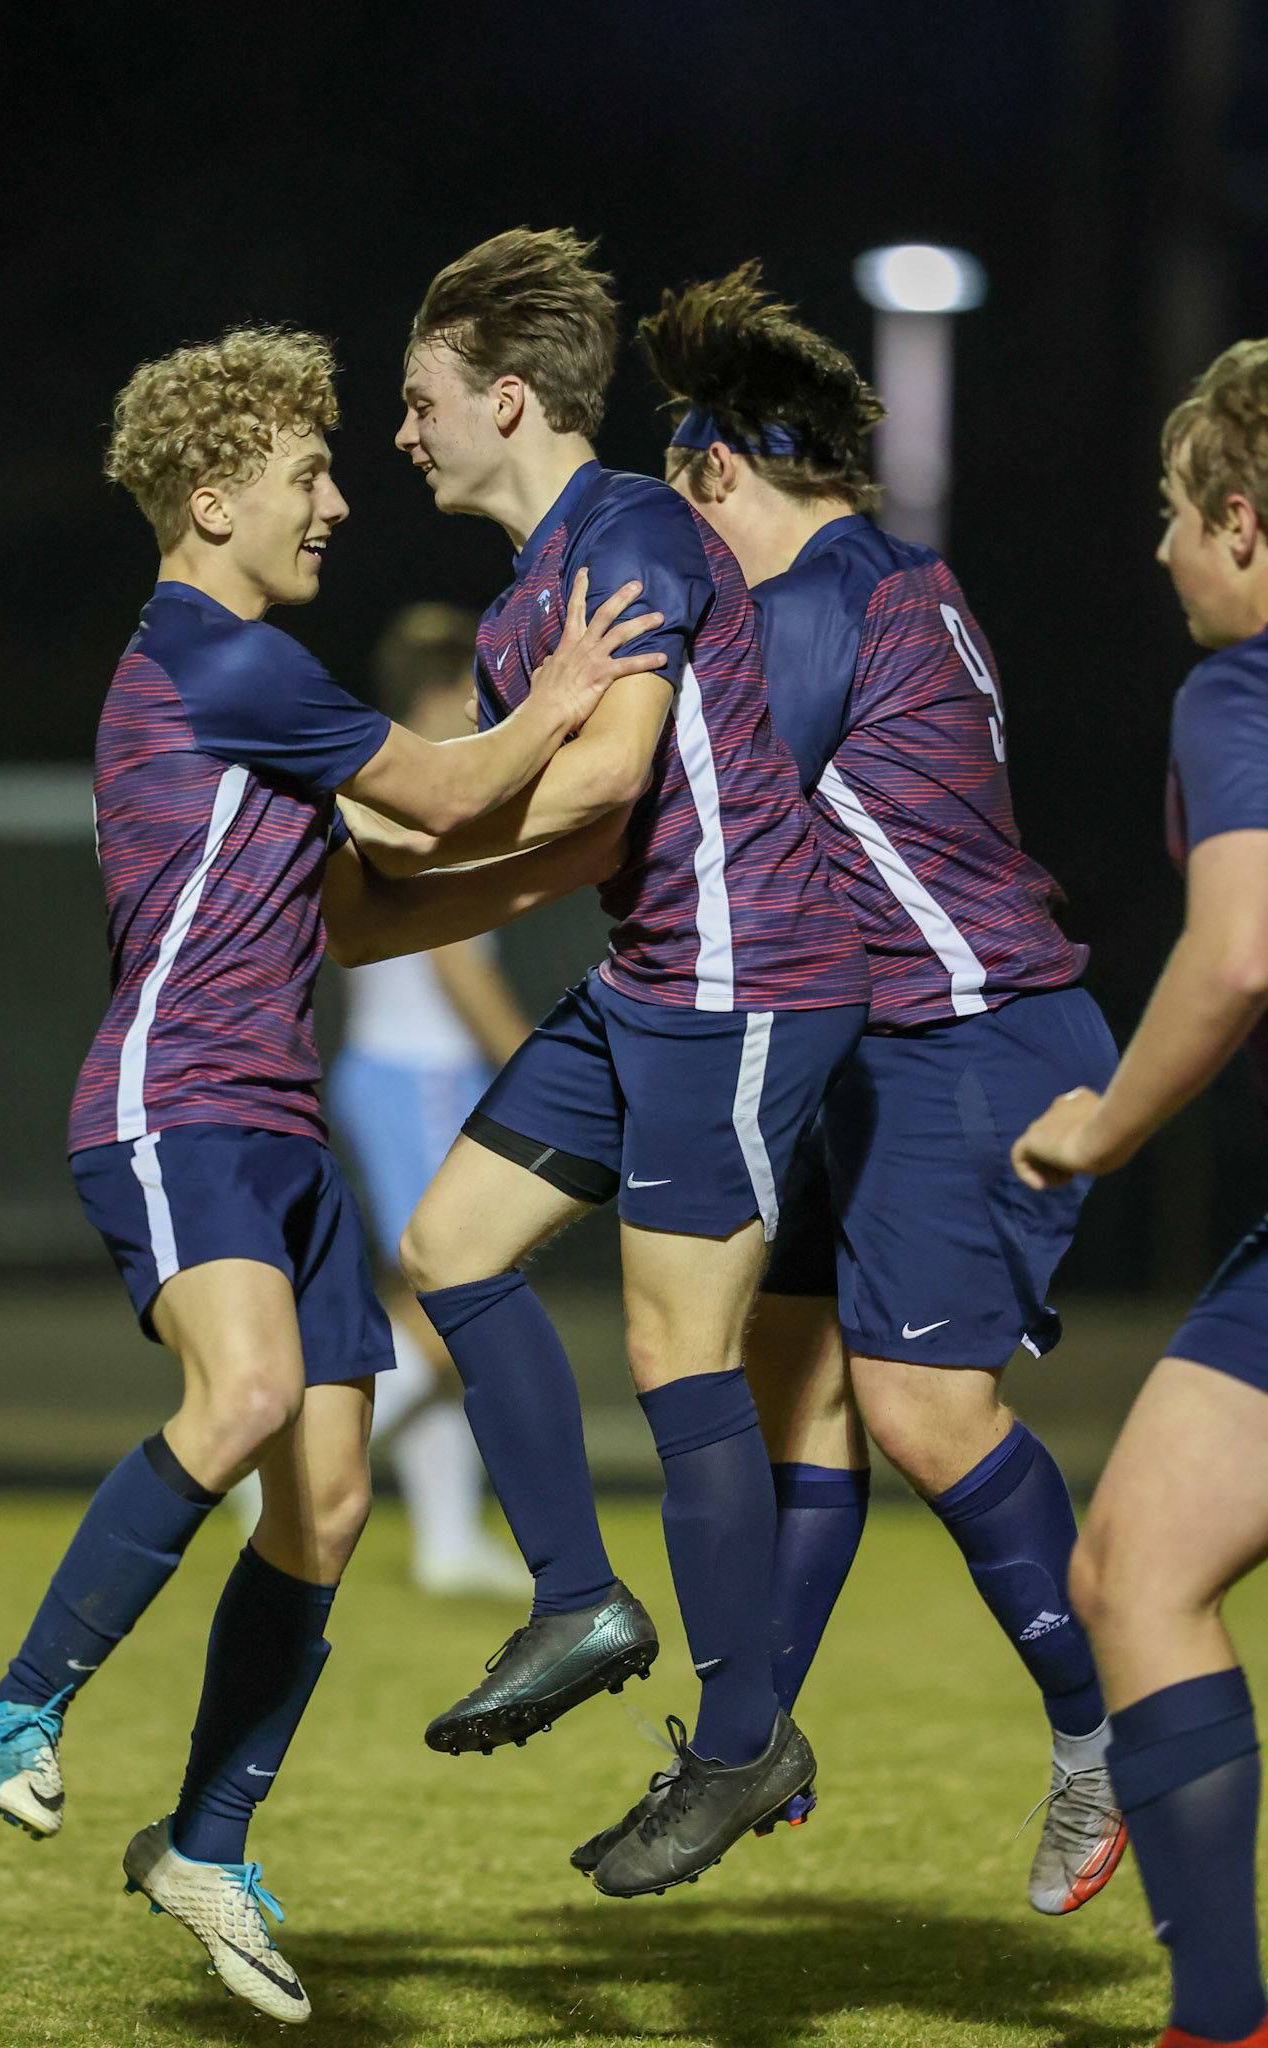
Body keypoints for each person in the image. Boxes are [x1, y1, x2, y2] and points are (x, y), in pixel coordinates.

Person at [0, 319, 663, 2021]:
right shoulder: (221, 656)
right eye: (305, 475)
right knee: (252, 1388)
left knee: (329, 1501)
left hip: (284, 1129)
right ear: (213, 500)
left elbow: (385, 875)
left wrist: (556, 832)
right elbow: (434, 790)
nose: (339, 501)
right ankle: (21, 1702)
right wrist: (567, 707)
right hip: (173, 1102)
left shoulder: (252, 682)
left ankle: (205, 1835)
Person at [580, 261, 1125, 1917]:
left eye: (680, 514)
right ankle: (747, 1740)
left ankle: (1108, 1737)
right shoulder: (893, 572)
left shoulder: (811, 607)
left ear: (718, 478)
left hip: (973, 1043)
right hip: (881, 1049)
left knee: (921, 1408)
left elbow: (672, 810)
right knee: (789, 1389)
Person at [366, 227, 872, 1899]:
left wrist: (399, 829)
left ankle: (742, 1744)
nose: (402, 430)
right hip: (651, 977)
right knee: (447, 1251)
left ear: (506, 400)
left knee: (677, 1350)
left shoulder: (634, 531)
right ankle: (578, 1594)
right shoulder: (526, 607)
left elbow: (597, 786)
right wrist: (337, 904)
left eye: (422, 398)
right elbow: (552, 843)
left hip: (747, 986)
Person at [1014, 339, 1268, 2048]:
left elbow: (1241, 946)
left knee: (1138, 1571)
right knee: (1133, 1559)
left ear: (1244, 523)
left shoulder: (1238, 689)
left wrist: (1096, 1128)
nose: (1162, 552)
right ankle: (1220, 2018)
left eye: (1173, 517)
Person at [330, 603, 530, 1597]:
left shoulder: (388, 775)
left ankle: (447, 1537)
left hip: (398, 1069)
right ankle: (280, 1455)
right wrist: (539, 1069)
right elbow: (456, 961)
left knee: (443, 1300)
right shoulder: (436, 788)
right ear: (455, 691)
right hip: (421, 1071)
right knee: (456, 1305)